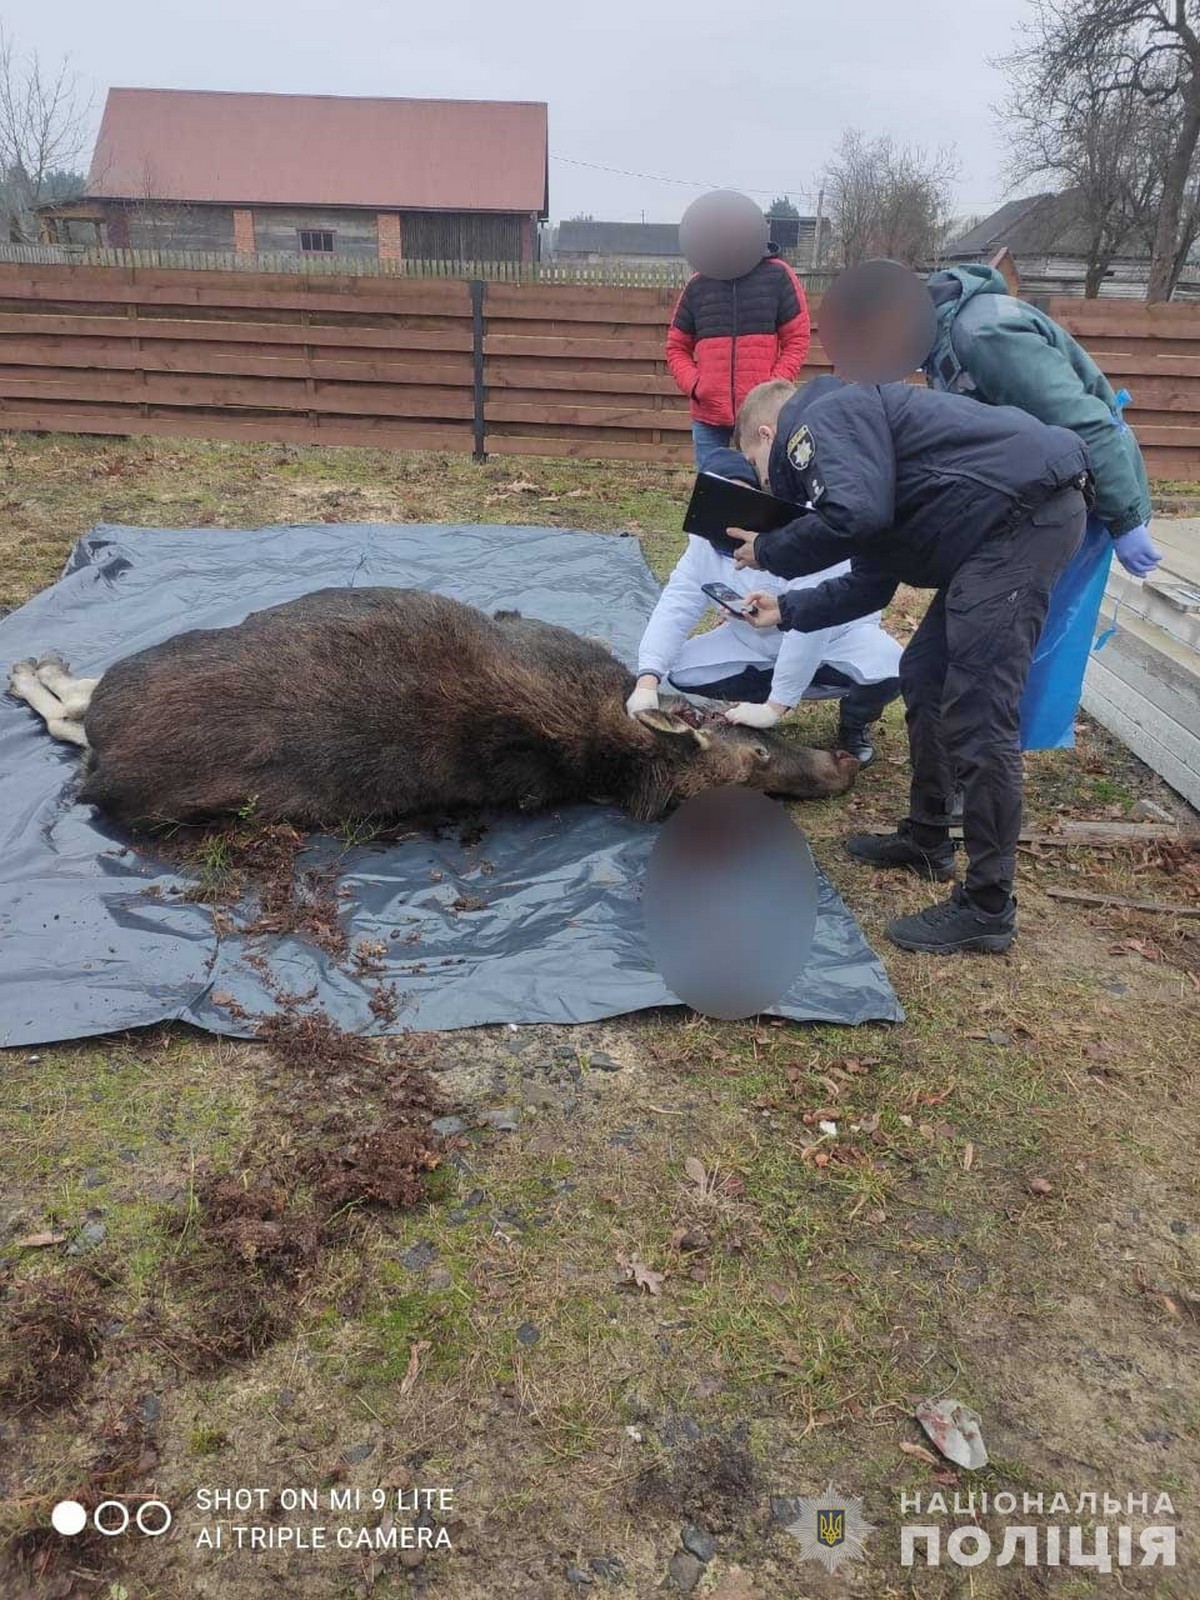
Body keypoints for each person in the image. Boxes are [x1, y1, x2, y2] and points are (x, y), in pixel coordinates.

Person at [728, 376, 1091, 955]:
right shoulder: (858, 451)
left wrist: (770, 550)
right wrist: (787, 609)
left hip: (1021, 521)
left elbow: (859, 519)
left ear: (767, 434)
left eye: (756, 461)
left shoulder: (820, 422)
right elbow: (871, 579)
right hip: (994, 531)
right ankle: (928, 838)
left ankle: (988, 907)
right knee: (925, 672)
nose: (768, 483)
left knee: (979, 709)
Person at [819, 257, 1162, 750]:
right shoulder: (942, 341)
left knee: (982, 665)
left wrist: (1126, 517)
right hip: (1016, 510)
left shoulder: (985, 336)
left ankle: (971, 792)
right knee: (931, 666)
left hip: (1066, 506)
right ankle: (938, 810)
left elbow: (1085, 423)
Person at [625, 438, 901, 762]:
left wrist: (778, 705)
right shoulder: (701, 546)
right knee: (682, 671)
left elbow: (812, 619)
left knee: (893, 667)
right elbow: (677, 604)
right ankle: (753, 709)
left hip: (834, 640)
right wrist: (646, 680)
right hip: (751, 644)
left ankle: (854, 722)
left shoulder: (799, 534)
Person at [666, 241, 810, 469]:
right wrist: (697, 386)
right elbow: (676, 347)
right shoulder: (698, 284)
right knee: (712, 490)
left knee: (764, 489)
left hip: (761, 416)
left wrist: (771, 386)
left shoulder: (778, 275)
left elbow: (797, 339)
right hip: (709, 416)